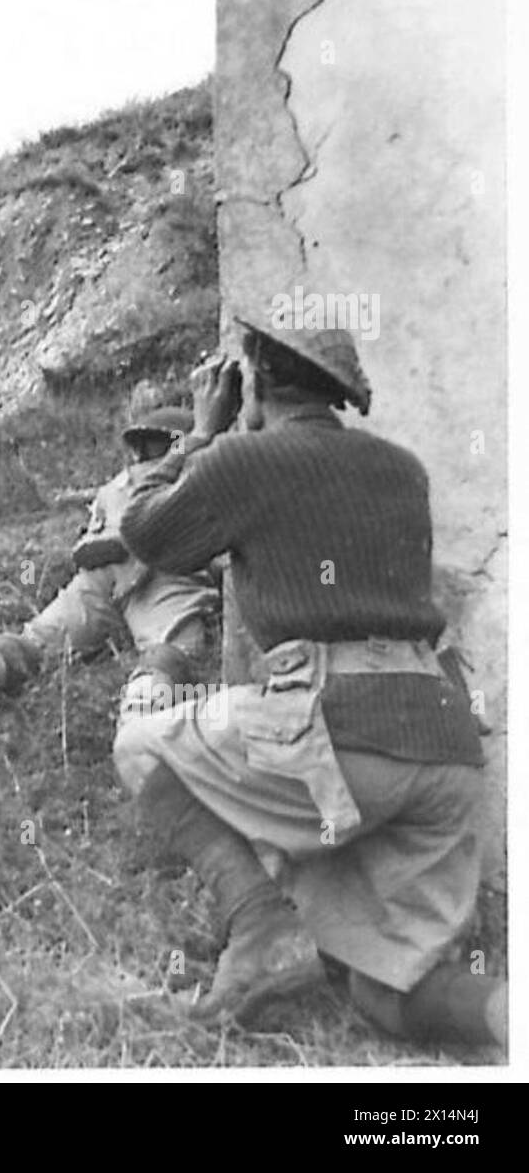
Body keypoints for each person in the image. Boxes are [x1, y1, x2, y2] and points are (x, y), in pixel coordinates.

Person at [111, 317, 505, 1049]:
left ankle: (262, 926)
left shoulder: (244, 460)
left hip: (341, 734)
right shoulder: (403, 470)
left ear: (253, 380)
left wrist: (199, 433)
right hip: (445, 744)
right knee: (391, 995)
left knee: (142, 743)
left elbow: (144, 534)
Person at [0, 407, 219, 717]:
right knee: (174, 651)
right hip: (164, 568)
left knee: (35, 642)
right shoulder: (195, 473)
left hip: (100, 572)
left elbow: (88, 542)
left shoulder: (116, 485)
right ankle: (140, 721)